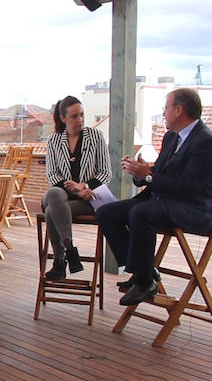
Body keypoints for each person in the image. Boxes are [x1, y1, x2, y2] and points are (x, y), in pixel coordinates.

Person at [96, 88, 212, 306]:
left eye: (166, 108)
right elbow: (157, 173)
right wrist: (141, 172)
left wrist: (148, 177)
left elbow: (190, 188)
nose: (163, 113)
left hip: (192, 207)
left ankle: (144, 279)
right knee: (106, 212)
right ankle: (144, 271)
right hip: (163, 200)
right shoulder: (171, 137)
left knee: (141, 212)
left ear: (179, 110)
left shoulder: (205, 141)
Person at [42, 96, 112, 279]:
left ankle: (59, 261)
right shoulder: (54, 140)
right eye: (74, 116)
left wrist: (84, 187)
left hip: (87, 198)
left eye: (81, 115)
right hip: (61, 195)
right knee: (53, 193)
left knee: (51, 211)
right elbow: (52, 174)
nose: (79, 119)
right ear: (63, 118)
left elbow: (106, 172)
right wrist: (75, 189)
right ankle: (70, 249)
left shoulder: (95, 137)